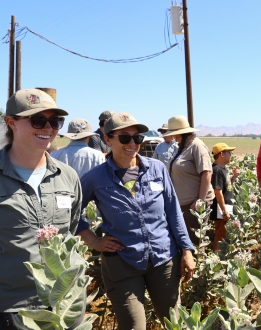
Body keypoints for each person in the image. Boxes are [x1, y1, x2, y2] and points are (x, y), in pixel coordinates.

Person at [75, 112, 195, 330]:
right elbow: (72, 214)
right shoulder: (95, 177)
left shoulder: (156, 169)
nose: (132, 143)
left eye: (137, 138)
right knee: (133, 326)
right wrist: (93, 241)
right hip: (122, 263)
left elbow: (173, 211)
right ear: (108, 139)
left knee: (174, 324)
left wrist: (186, 250)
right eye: (124, 138)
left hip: (163, 259)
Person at [0, 89, 82, 325]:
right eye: (38, 120)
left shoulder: (67, 176)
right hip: (14, 309)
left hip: (65, 306)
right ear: (11, 122)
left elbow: (70, 230)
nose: (48, 128)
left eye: (55, 121)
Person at [162, 115, 214, 246]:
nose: (173, 137)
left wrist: (200, 200)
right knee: (184, 242)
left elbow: (207, 172)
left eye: (175, 134)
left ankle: (197, 266)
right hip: (182, 204)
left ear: (182, 133)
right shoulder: (183, 146)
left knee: (194, 244)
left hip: (194, 205)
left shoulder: (197, 146)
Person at [210, 143, 240, 250]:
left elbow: (227, 187)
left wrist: (234, 177)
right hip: (221, 210)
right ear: (222, 154)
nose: (231, 155)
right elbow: (218, 192)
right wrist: (224, 211)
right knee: (220, 235)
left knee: (224, 235)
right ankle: (216, 260)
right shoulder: (217, 170)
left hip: (225, 208)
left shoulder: (223, 169)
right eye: (229, 153)